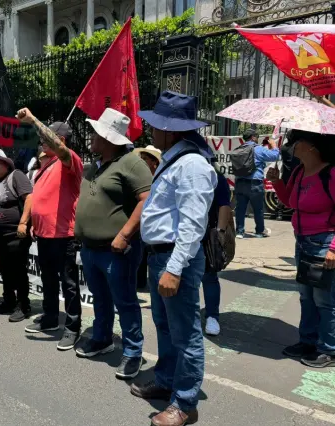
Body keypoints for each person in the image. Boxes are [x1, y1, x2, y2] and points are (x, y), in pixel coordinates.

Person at [131, 91, 217, 426]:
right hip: (160, 257)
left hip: (174, 259)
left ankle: (185, 403)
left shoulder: (193, 164)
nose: (151, 132)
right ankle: (167, 381)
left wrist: (175, 268)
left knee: (186, 334)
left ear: (170, 130)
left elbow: (193, 225)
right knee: (166, 326)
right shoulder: (175, 159)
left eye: (155, 126)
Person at [73, 108, 152, 380]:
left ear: (108, 138)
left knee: (125, 301)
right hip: (92, 249)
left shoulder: (132, 163)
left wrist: (124, 234)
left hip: (117, 250)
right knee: (101, 298)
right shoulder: (96, 164)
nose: (91, 137)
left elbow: (147, 200)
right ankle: (102, 338)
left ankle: (133, 352)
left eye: (95, 133)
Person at [16, 108, 83, 352]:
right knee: (48, 280)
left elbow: (61, 149)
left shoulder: (69, 161)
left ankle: (73, 327)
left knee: (69, 283)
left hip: (64, 235)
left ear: (60, 141)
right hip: (44, 235)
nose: (42, 143)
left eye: (46, 139)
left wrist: (34, 119)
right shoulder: (46, 166)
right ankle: (51, 318)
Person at [268, 129, 335, 369]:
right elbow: (290, 202)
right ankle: (307, 341)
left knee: (324, 299)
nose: (292, 146)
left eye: (297, 141)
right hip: (302, 239)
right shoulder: (298, 171)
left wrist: (334, 249)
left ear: (312, 146)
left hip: (325, 242)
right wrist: (276, 182)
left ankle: (329, 348)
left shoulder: (331, 173)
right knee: (306, 296)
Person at [0, 149, 34, 322]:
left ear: (6, 164)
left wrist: (23, 223)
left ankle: (23, 305)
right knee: (5, 270)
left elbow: (30, 199)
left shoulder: (16, 176)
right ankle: (9, 300)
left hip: (15, 234)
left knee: (18, 271)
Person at [202, 160, 233, 337]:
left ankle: (212, 316)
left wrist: (220, 233)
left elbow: (224, 205)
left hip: (207, 235)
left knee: (209, 276)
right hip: (181, 234)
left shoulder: (215, 177)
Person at [234, 129, 279, 239]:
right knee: (258, 208)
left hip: (239, 182)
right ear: (253, 137)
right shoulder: (258, 149)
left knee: (240, 209)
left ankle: (239, 231)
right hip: (255, 183)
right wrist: (274, 145)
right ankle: (259, 231)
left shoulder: (238, 149)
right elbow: (275, 156)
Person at [133, 145, 162, 290]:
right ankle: (139, 280)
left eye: (145, 159)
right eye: (141, 158)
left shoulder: (159, 177)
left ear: (154, 162)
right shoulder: (139, 176)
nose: (142, 161)